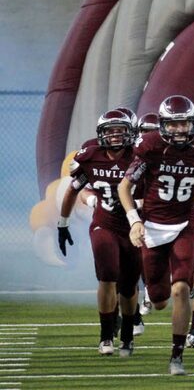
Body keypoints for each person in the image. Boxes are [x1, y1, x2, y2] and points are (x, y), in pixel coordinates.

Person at [118, 95, 194, 376]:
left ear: (193, 124)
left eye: (184, 124)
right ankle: (131, 322)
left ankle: (177, 356)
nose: (179, 130)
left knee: (181, 289)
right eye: (174, 125)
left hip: (184, 225)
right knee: (160, 298)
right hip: (152, 226)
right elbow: (124, 188)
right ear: (163, 125)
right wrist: (134, 221)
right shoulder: (150, 146)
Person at [59, 109, 142, 357]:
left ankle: (127, 333)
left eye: (120, 130)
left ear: (131, 132)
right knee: (107, 276)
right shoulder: (90, 155)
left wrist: (140, 207)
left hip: (134, 226)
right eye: (110, 131)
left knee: (128, 286)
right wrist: (62, 222)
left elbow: (153, 193)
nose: (115, 136)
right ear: (100, 134)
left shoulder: (141, 157)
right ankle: (106, 336)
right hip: (104, 224)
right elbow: (74, 188)